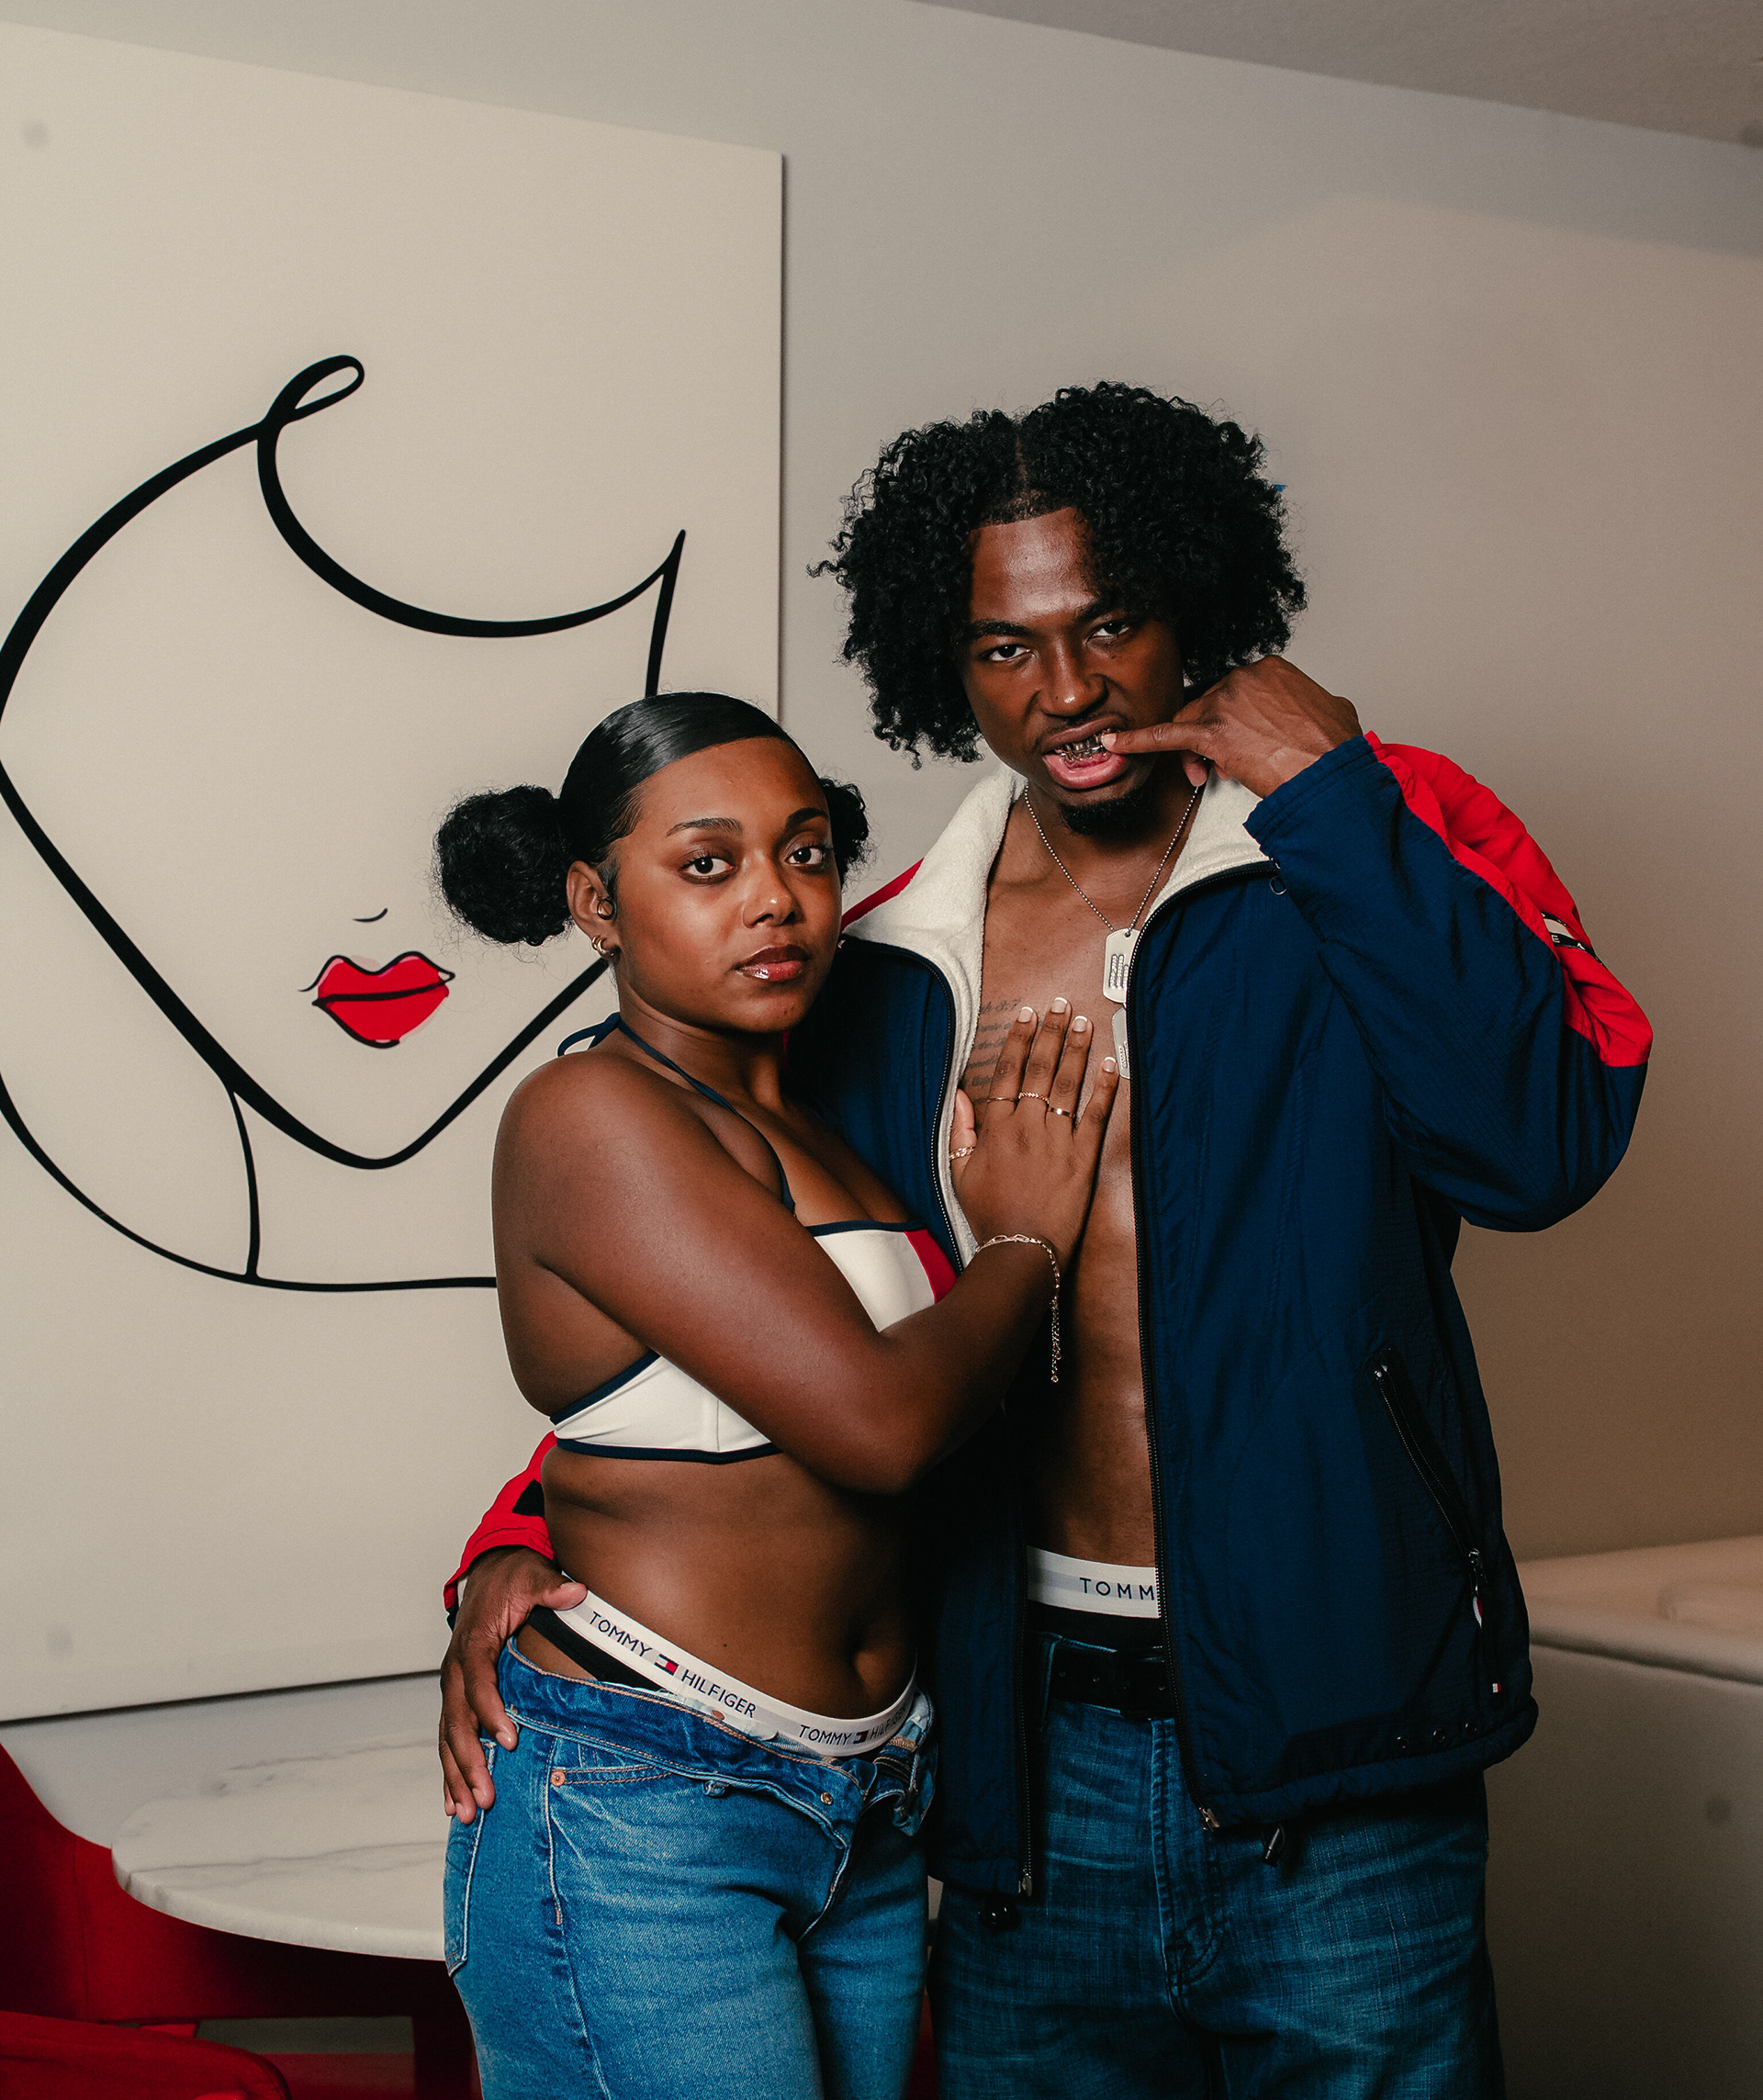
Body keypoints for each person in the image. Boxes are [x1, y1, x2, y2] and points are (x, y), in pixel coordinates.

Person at [440, 387, 1652, 2096]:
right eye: (1005, 648)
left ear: (1193, 608)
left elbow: (1540, 1145)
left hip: (1340, 1729)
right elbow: (735, 1310)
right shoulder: (880, 965)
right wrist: (516, 1541)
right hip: (1017, 1750)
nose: (1065, 691)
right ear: (944, 664)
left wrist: (1332, 794)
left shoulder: (1374, 833)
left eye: (1109, 625)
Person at [432, 690, 1117, 2100]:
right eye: (708, 863)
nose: (775, 898)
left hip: (868, 1795)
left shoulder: (827, 1132)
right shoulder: (588, 1116)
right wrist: (1026, 1246)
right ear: (596, 900)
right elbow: (883, 1424)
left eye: (805, 852)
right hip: (649, 1792)